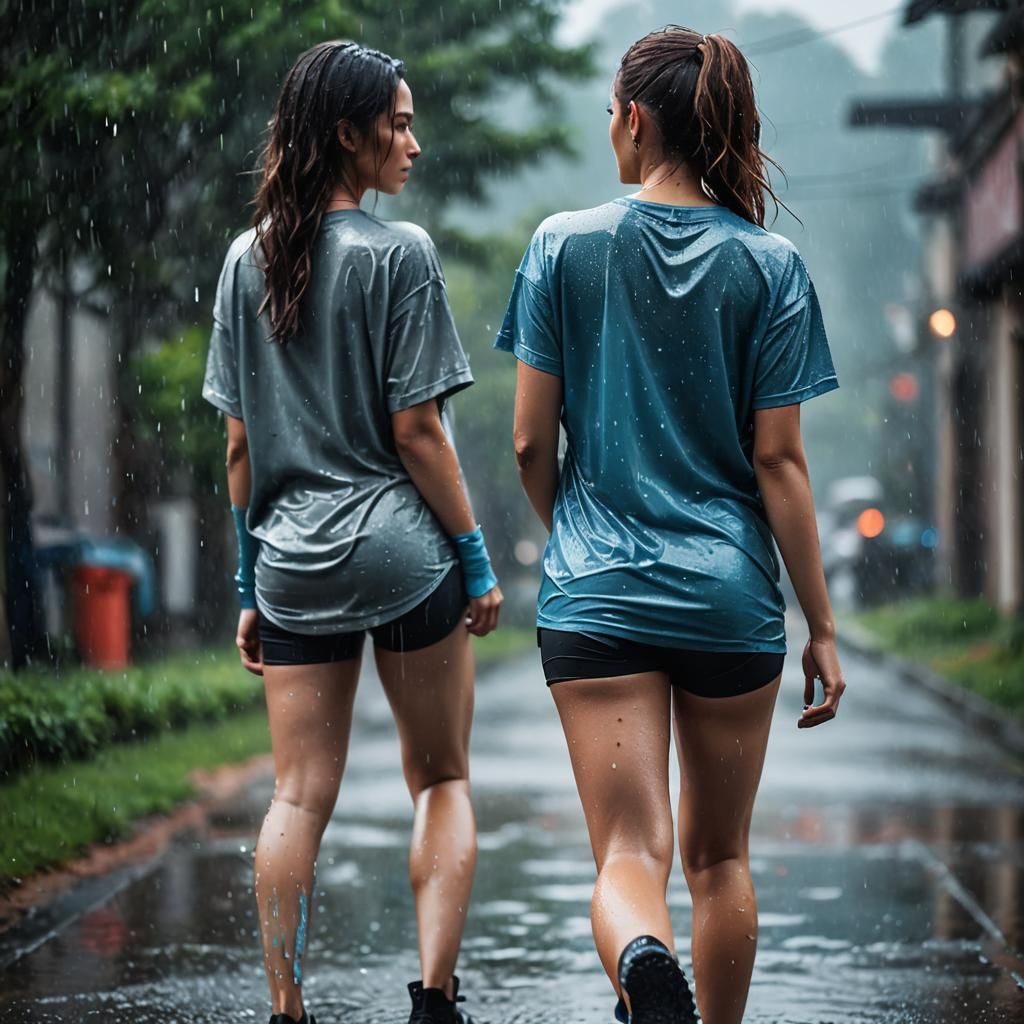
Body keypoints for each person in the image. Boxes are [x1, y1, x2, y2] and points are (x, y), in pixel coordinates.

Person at [496, 25, 846, 1024]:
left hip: (594, 595)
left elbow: (529, 443)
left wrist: (574, 535)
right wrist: (817, 624)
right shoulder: (770, 267)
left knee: (628, 853)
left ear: (635, 118)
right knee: (719, 856)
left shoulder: (562, 245)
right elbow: (779, 461)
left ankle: (644, 960)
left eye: (612, 110)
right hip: (728, 597)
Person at [202, 41, 502, 1024]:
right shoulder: (400, 253)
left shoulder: (245, 259)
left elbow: (240, 450)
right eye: (399, 122)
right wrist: (475, 558)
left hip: (290, 560)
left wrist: (249, 587)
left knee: (297, 795)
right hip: (404, 555)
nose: (412, 142)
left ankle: (287, 1008)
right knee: (442, 776)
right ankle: (432, 997)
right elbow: (417, 430)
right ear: (348, 133)